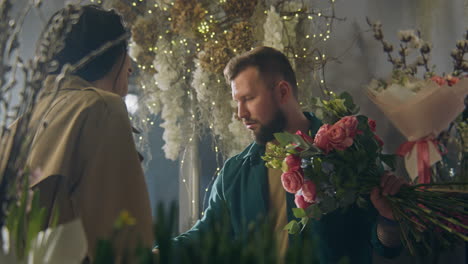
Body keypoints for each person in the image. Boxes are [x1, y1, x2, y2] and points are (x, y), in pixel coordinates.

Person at [171, 46, 405, 263]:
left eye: (249, 99)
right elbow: (203, 236)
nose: (240, 113)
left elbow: (386, 246)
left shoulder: (348, 151)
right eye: (237, 101)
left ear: (283, 92)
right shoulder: (235, 173)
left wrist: (390, 220)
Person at [14, 4, 153, 261]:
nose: (130, 67)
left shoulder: (18, 126)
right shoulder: (101, 108)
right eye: (126, 53)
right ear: (111, 57)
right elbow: (123, 243)